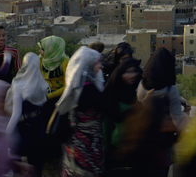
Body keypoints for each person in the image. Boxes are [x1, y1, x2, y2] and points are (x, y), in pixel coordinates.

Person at [56, 46, 137, 177]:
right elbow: (115, 117)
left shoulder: (75, 88)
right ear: (89, 65)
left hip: (73, 147)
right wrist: (139, 107)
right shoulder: (92, 92)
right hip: (88, 148)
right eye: (97, 63)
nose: (101, 66)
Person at [136, 47, 189, 177]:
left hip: (142, 139)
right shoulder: (171, 90)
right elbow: (177, 120)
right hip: (162, 144)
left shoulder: (142, 85)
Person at [5, 52, 49, 177]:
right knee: (35, 165)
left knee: (17, 164)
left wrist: (6, 133)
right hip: (38, 126)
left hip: (23, 128)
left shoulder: (19, 84)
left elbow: (16, 114)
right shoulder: (41, 83)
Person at [103, 57, 143, 172]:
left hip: (134, 147)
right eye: (128, 72)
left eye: (134, 71)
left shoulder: (136, 91)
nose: (132, 75)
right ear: (120, 73)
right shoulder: (112, 92)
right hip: (116, 149)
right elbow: (109, 123)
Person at [38, 36, 69, 125]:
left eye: (42, 49)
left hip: (59, 99)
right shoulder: (40, 60)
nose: (40, 51)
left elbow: (67, 86)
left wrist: (49, 96)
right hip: (42, 97)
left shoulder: (64, 62)